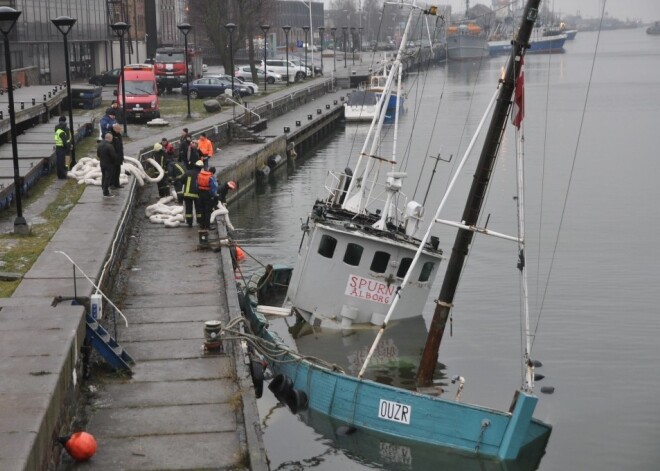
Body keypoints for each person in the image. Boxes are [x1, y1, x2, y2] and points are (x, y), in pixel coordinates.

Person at [182, 160, 203, 227]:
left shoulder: (187, 173)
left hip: (187, 194)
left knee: (188, 209)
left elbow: (181, 180)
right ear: (201, 167)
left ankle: (189, 222)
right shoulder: (201, 174)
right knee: (198, 208)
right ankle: (199, 221)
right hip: (197, 194)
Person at [97, 133, 117, 198]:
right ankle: (106, 192)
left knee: (103, 176)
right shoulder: (110, 146)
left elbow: (98, 154)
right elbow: (113, 156)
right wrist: (114, 162)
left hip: (102, 163)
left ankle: (103, 188)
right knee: (107, 178)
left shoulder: (99, 145)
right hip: (109, 164)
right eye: (111, 138)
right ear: (110, 138)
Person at [110, 123, 124, 189]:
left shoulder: (119, 135)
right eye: (119, 129)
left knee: (118, 171)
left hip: (119, 156)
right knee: (112, 171)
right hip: (113, 158)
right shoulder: (111, 135)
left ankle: (117, 183)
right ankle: (112, 184)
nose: (120, 130)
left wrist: (122, 156)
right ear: (115, 129)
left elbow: (120, 147)